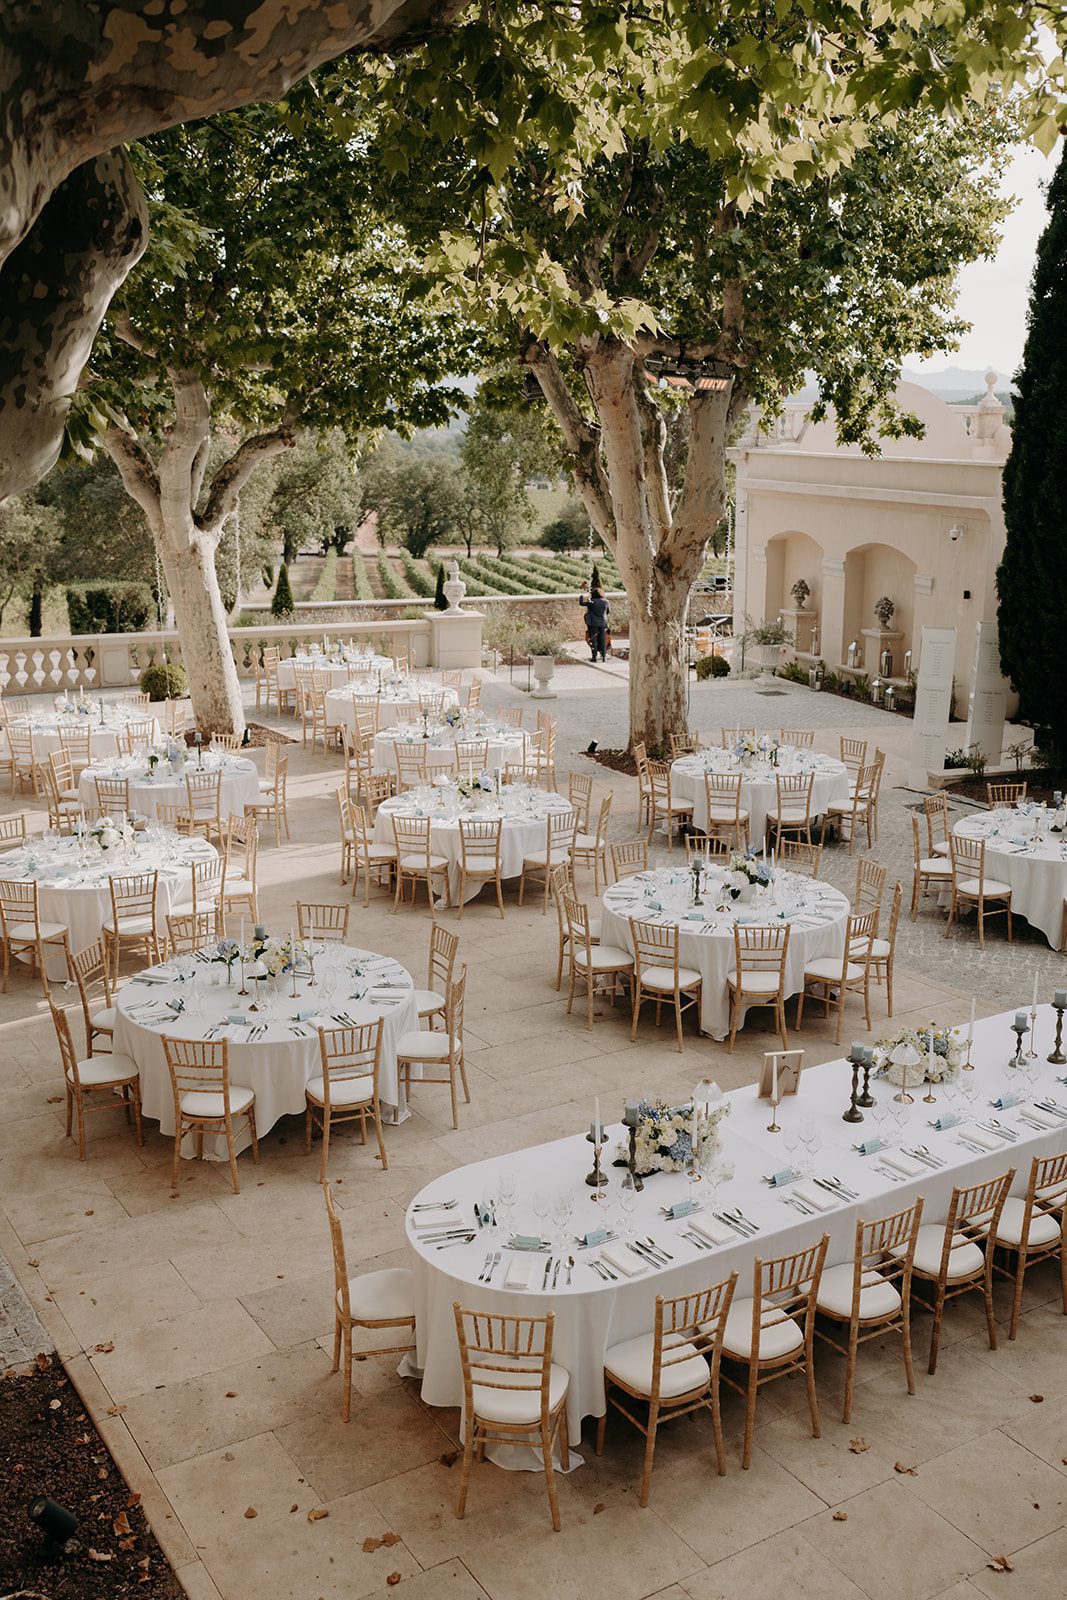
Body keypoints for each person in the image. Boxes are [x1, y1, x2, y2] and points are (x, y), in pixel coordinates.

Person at [579, 586, 610, 662]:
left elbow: (581, 603)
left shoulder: (591, 602)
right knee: (602, 639)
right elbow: (608, 612)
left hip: (593, 623)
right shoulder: (606, 602)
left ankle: (594, 657)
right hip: (603, 622)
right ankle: (603, 656)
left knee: (593, 639)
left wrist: (581, 595)